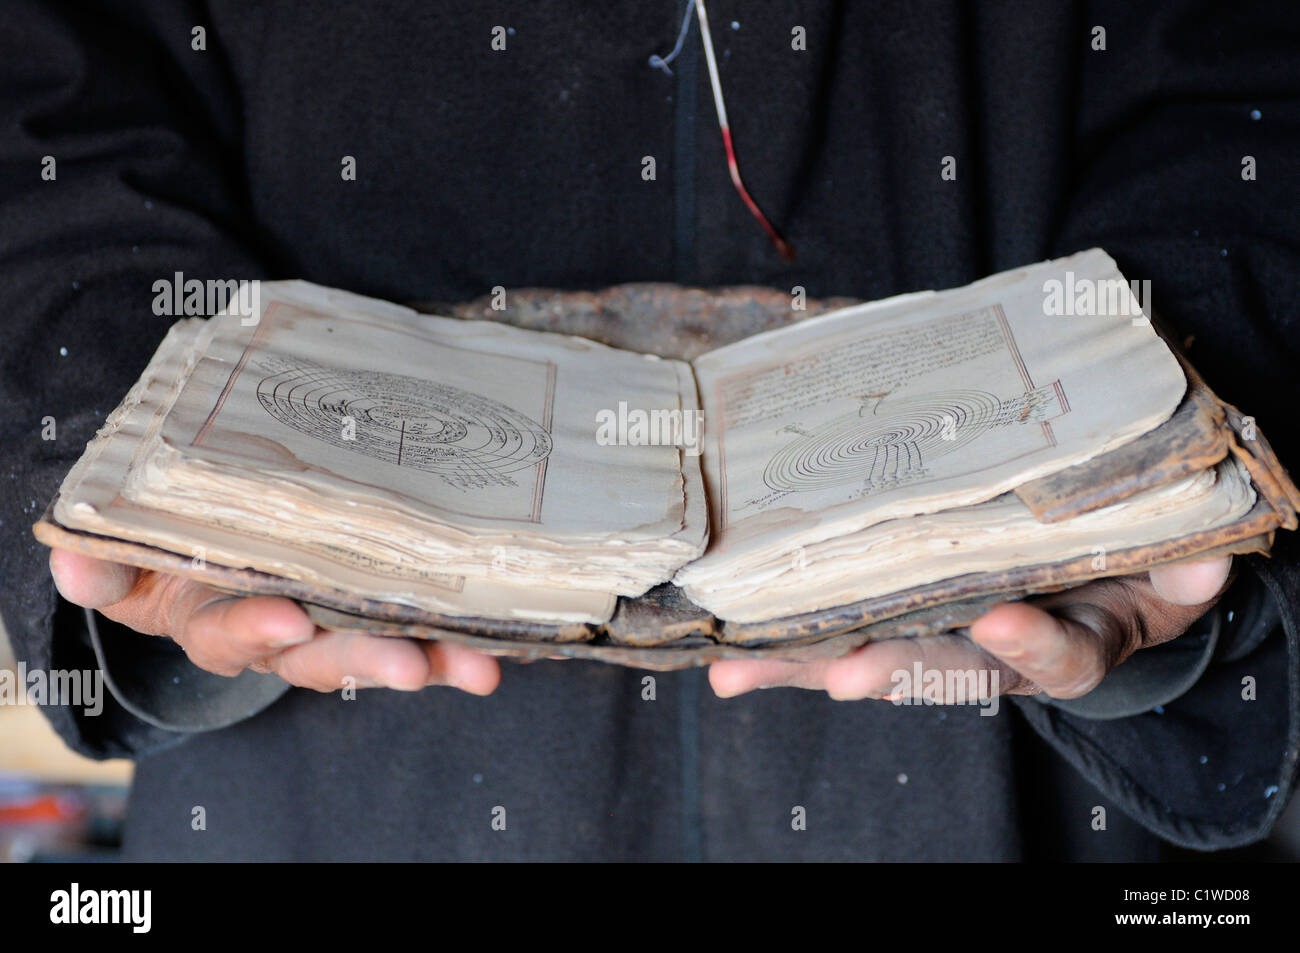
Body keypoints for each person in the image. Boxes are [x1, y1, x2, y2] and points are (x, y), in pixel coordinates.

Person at [2, 1, 1297, 861]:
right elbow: (47, 97)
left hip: (999, 750)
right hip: (337, 762)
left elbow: (1242, 85)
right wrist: (160, 466)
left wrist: (1165, 437)